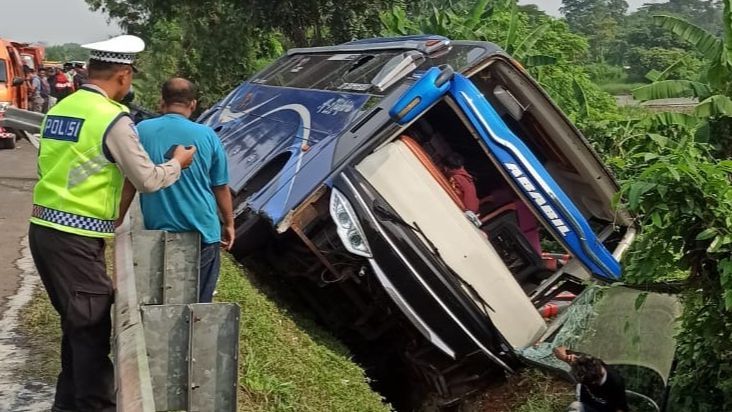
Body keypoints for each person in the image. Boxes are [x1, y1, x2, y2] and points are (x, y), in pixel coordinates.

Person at [28, 35, 196, 412]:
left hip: (45, 230)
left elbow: (53, 168)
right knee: (90, 329)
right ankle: (93, 405)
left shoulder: (63, 108)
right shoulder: (112, 119)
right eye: (131, 77)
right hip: (75, 237)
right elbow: (147, 180)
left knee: (76, 327)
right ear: (123, 75)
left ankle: (66, 405)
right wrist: (177, 164)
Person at [124, 77, 234, 303]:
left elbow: (128, 180)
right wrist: (229, 224)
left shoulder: (140, 131)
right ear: (193, 104)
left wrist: (116, 219)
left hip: (158, 231)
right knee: (198, 302)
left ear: (161, 102)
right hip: (202, 230)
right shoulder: (207, 135)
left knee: (160, 298)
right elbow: (220, 187)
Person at [554, 346, 630, 412]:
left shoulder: (615, 383)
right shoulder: (585, 361)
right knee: (575, 406)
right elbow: (558, 349)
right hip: (586, 404)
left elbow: (620, 408)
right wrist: (565, 357)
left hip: (604, 410)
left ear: (593, 382)